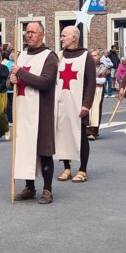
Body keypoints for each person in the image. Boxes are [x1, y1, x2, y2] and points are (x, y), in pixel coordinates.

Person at [10, 21, 58, 204]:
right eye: (27, 32)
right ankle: (29, 187)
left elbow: (46, 82)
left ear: (42, 35)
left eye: (33, 32)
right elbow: (13, 82)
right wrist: (12, 79)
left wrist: (20, 73)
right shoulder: (21, 55)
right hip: (22, 109)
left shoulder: (50, 57)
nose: (29, 35)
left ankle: (47, 189)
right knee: (24, 149)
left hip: (41, 110)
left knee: (44, 150)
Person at [54, 26, 96, 183]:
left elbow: (91, 83)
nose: (61, 38)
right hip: (61, 104)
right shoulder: (59, 56)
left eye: (64, 36)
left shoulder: (86, 57)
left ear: (74, 38)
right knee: (63, 136)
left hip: (78, 104)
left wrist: (86, 104)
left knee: (81, 137)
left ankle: (83, 169)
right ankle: (66, 168)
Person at [87, 49, 109, 141]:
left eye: (95, 55)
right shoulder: (86, 66)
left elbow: (102, 80)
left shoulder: (102, 66)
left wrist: (91, 79)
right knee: (87, 109)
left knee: (95, 109)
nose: (94, 57)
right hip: (87, 89)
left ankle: (94, 131)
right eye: (92, 56)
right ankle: (86, 130)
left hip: (98, 89)